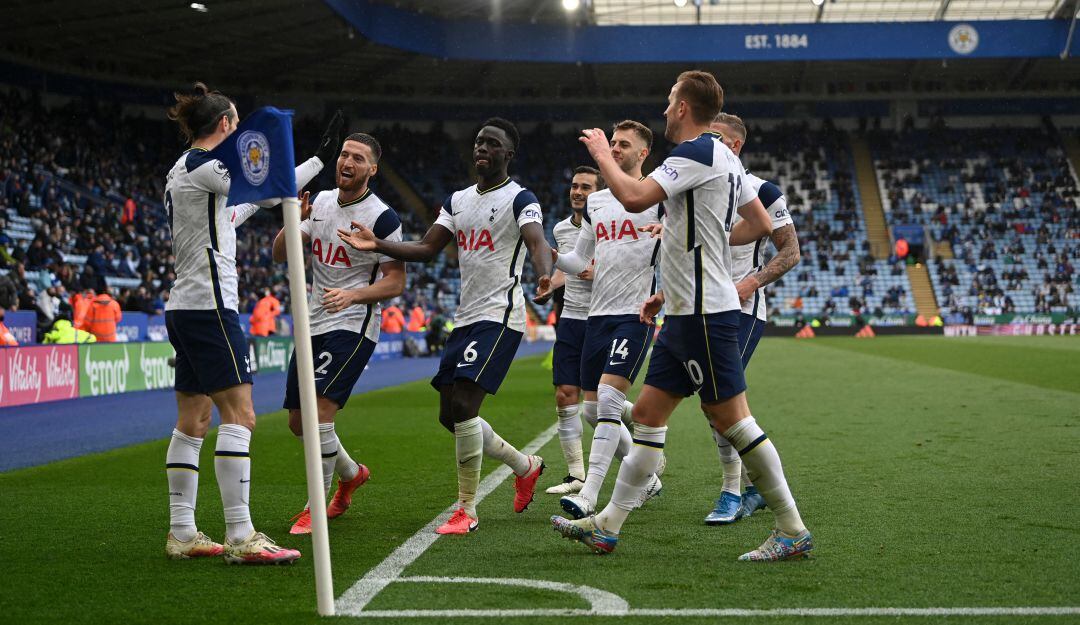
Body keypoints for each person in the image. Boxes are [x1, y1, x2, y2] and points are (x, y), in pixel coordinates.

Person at [552, 71, 812, 561]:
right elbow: (756, 224)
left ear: (685, 108)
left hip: (705, 314)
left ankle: (792, 528)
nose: (666, 107)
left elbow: (632, 198)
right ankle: (607, 525)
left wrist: (602, 153)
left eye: (671, 100)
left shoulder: (693, 153)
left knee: (732, 419)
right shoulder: (728, 160)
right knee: (648, 416)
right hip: (684, 308)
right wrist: (676, 285)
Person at [338, 117, 553, 535]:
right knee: (448, 416)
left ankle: (466, 510)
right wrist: (378, 244)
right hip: (466, 316)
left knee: (463, 408)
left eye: (492, 144)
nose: (482, 149)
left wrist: (544, 274)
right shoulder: (457, 201)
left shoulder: (520, 198)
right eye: (478, 142)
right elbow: (426, 247)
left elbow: (537, 241)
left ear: (508, 154)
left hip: (501, 315)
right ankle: (525, 466)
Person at [161, 81, 337, 564]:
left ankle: (182, 532)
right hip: (211, 306)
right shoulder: (209, 166)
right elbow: (268, 188)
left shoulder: (183, 169)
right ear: (226, 125)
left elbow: (235, 211)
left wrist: (305, 173)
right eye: (237, 124)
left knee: (193, 420)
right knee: (241, 416)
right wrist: (318, 161)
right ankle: (240, 535)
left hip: (184, 305)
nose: (242, 134)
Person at [272, 132, 405, 535]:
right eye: (345, 155)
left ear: (372, 169)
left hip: (353, 323)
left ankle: (315, 508)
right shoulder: (323, 202)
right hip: (313, 321)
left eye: (358, 158)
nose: (347, 162)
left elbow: (395, 282)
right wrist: (293, 222)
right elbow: (281, 254)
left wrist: (353, 295)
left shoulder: (383, 217)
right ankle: (350, 473)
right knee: (298, 423)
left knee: (319, 418)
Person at [544, 120, 666, 519]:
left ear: (643, 153)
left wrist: (668, 234)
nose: (615, 149)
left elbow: (683, 243)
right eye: (612, 143)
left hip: (635, 315)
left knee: (610, 401)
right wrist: (547, 252)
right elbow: (579, 260)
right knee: (593, 411)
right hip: (597, 315)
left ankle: (590, 494)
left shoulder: (658, 196)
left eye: (624, 144)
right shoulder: (597, 203)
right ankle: (645, 476)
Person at [702, 113, 801, 526]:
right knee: (700, 402)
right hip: (697, 306)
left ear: (735, 146)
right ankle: (758, 485)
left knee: (719, 403)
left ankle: (732, 491)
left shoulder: (762, 191)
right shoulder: (694, 185)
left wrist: (751, 283)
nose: (706, 143)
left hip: (741, 311)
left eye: (716, 137)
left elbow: (790, 252)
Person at [539, 166, 601, 496]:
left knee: (601, 403)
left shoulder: (609, 225)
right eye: (575, 186)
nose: (577, 192)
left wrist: (599, 272)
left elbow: (630, 264)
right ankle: (576, 474)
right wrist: (552, 283)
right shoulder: (562, 228)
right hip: (571, 318)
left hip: (604, 317)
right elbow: (571, 268)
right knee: (565, 394)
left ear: (599, 192)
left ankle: (646, 444)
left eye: (586, 187)